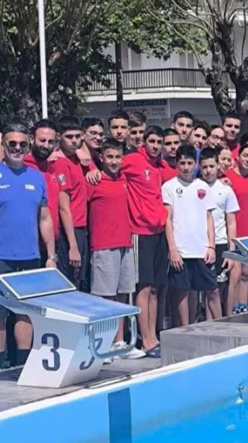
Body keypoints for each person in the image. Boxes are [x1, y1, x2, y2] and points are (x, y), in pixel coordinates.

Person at [0, 124, 56, 371]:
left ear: (28, 146)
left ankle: (22, 365)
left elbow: (45, 218)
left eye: (22, 144)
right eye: (12, 144)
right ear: (3, 146)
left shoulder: (36, 177)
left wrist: (50, 256)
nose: (17, 148)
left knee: (25, 312)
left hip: (29, 256)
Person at [87, 139, 144, 359]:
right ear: (101, 158)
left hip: (125, 244)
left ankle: (119, 342)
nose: (113, 161)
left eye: (117, 157)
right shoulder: (93, 180)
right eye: (109, 157)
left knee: (122, 296)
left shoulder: (124, 179)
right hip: (103, 245)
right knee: (105, 298)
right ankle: (104, 344)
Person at [120, 126, 167, 357]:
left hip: (159, 230)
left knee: (155, 288)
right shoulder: (132, 160)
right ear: (144, 142)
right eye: (152, 141)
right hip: (140, 230)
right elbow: (109, 166)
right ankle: (145, 339)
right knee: (144, 286)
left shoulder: (161, 166)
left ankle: (153, 336)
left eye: (159, 142)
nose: (156, 146)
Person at [163, 145, 218, 326]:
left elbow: (209, 218)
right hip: (181, 251)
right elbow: (167, 219)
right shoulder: (169, 187)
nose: (186, 167)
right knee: (181, 292)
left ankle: (221, 327)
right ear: (176, 164)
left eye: (189, 163)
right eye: (182, 163)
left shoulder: (202, 186)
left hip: (202, 250)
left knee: (212, 290)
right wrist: (173, 249)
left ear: (196, 164)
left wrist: (211, 246)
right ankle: (185, 329)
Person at [53, 116, 94, 288]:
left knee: (78, 283)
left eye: (77, 136)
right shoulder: (60, 164)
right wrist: (73, 245)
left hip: (82, 228)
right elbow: (63, 207)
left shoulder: (79, 159)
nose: (74, 141)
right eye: (69, 137)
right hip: (69, 231)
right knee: (67, 284)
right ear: (59, 136)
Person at [199, 147, 239, 316]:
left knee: (217, 289)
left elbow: (231, 222)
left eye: (211, 166)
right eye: (204, 167)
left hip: (220, 243)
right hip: (199, 244)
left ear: (217, 166)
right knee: (205, 289)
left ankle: (218, 322)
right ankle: (207, 323)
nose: (208, 170)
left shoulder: (226, 190)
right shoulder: (194, 187)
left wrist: (231, 252)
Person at [226, 143, 248, 313]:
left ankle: (244, 308)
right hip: (234, 232)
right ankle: (232, 309)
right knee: (235, 274)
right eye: (245, 156)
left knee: (246, 273)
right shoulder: (228, 177)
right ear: (238, 157)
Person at [25, 120, 61, 262]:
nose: (46, 146)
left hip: (51, 245)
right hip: (29, 246)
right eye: (42, 140)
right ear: (31, 139)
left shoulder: (51, 168)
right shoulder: (21, 167)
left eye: (50, 141)